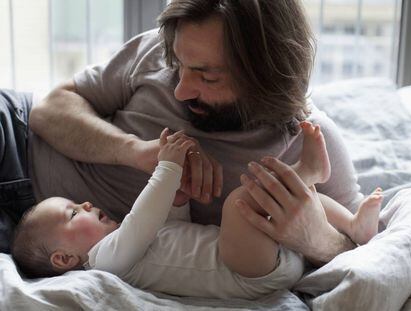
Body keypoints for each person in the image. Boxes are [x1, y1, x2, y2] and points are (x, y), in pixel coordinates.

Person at [2, 1, 362, 265]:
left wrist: (316, 240)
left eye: (207, 76)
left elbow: (357, 243)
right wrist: (135, 151)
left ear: (264, 75)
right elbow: (49, 110)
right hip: (16, 139)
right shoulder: (159, 52)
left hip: (40, 240)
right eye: (179, 65)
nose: (180, 90)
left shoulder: (311, 142)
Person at [12, 123, 381, 300]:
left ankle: (352, 224)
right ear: (64, 258)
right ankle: (307, 172)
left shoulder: (126, 253)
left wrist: (179, 202)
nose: (87, 204)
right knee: (241, 203)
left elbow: (170, 231)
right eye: (74, 214)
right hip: (243, 273)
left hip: (259, 259)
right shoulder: (103, 261)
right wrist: (167, 169)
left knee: (299, 206)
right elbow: (144, 220)